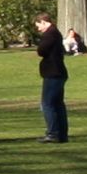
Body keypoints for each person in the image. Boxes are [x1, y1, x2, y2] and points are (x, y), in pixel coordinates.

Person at [31, 14, 71, 143]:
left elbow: (41, 50)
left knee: (47, 104)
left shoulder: (50, 34)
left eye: (39, 26)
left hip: (52, 73)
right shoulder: (55, 33)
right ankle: (61, 134)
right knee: (58, 104)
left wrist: (40, 46)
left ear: (43, 22)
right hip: (58, 72)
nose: (38, 29)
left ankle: (53, 133)